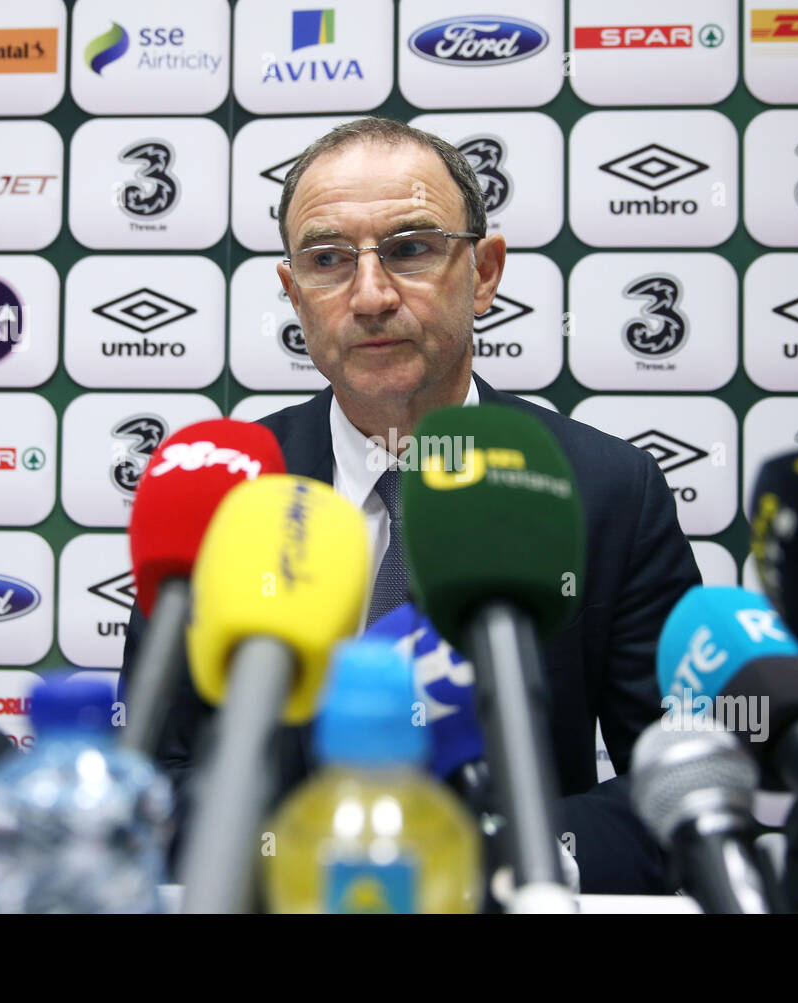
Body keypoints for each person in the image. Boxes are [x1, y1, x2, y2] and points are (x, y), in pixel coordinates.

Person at [120, 117, 702, 895]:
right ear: (294, 294)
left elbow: (681, 780)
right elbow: (154, 775)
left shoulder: (607, 489)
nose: (369, 295)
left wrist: (500, 862)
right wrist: (297, 862)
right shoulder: (229, 491)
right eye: (328, 261)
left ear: (485, 273)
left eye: (411, 249)